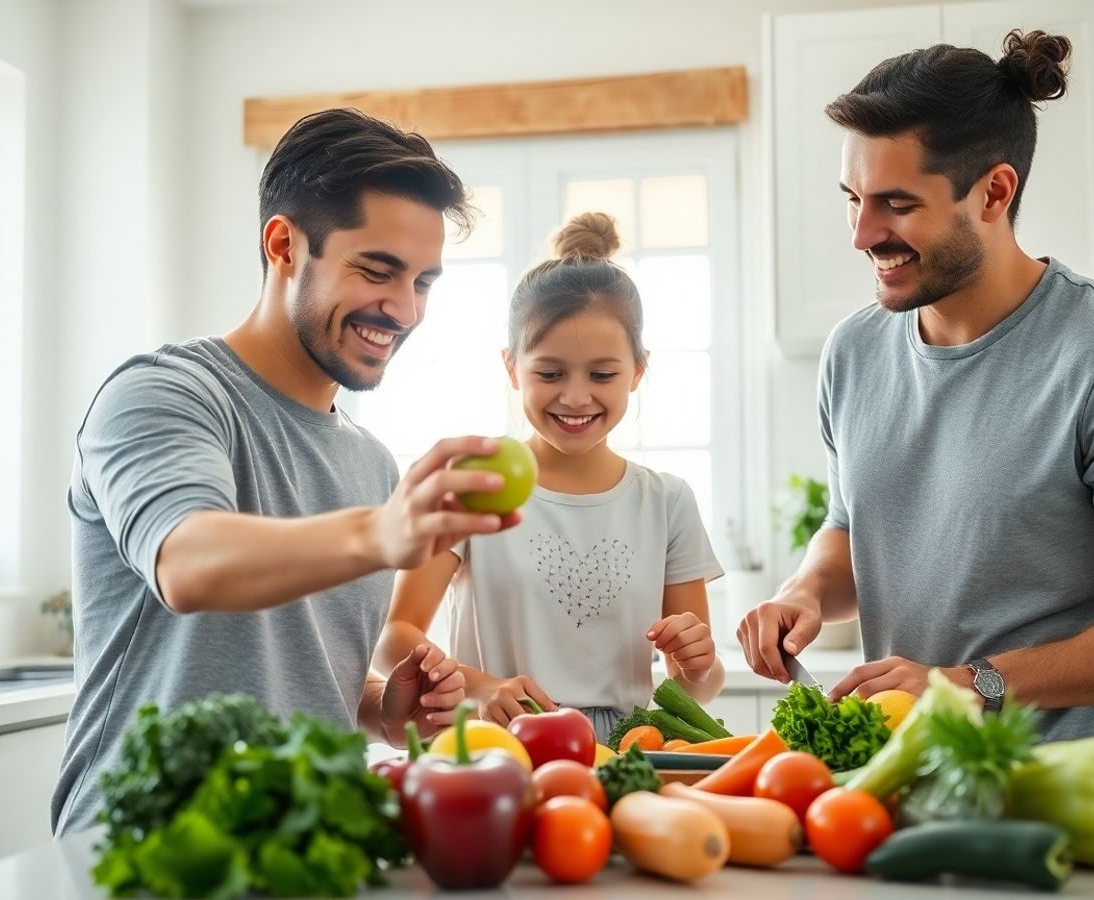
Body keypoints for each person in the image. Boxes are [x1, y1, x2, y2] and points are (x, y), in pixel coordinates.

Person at [53, 108, 520, 835]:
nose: (403, 309)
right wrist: (382, 532)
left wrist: (379, 706)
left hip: (297, 846)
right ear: (283, 245)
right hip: (144, 850)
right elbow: (189, 563)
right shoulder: (163, 394)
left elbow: (294, 663)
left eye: (423, 281)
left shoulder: (368, 463)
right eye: (377, 270)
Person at [738, 30, 1094, 746]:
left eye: (895, 204)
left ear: (994, 192)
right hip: (894, 790)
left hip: (1064, 806)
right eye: (852, 199)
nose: (861, 234)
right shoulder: (854, 351)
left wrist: (972, 685)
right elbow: (852, 527)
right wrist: (804, 595)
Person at [375, 212, 725, 742]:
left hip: (628, 752)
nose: (577, 396)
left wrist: (697, 665)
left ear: (638, 370)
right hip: (498, 741)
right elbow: (395, 636)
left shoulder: (667, 500)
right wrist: (480, 687)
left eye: (602, 374)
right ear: (512, 367)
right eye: (550, 373)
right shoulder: (474, 480)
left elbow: (694, 686)